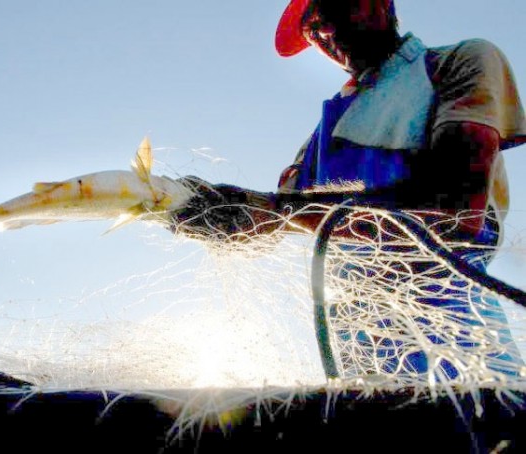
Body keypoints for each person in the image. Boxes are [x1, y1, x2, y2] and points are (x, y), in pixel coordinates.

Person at [170, 0, 526, 381]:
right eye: (313, 28)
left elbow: (454, 210)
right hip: (357, 363)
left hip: (463, 352)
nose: (324, 31)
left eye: (331, 9)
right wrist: (199, 208)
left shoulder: (460, 62)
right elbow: (266, 219)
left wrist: (278, 209)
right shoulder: (320, 136)